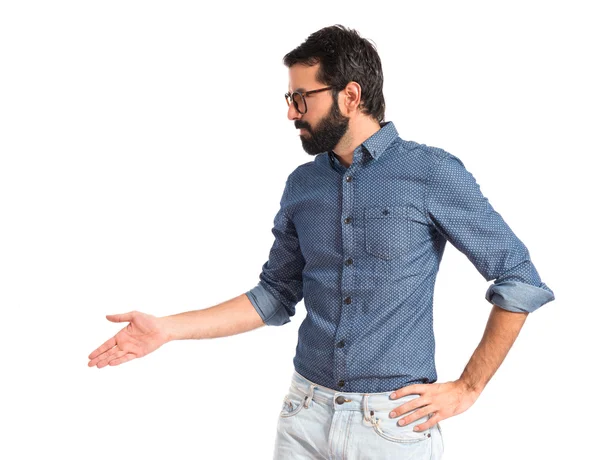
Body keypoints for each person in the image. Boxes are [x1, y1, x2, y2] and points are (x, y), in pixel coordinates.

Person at [88, 24, 555, 459]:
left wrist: (468, 388)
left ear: (350, 96)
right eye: (289, 98)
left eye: (301, 97)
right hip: (304, 414)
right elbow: (273, 295)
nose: (291, 112)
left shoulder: (430, 173)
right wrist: (168, 328)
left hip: (393, 425)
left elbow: (518, 280)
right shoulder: (303, 185)